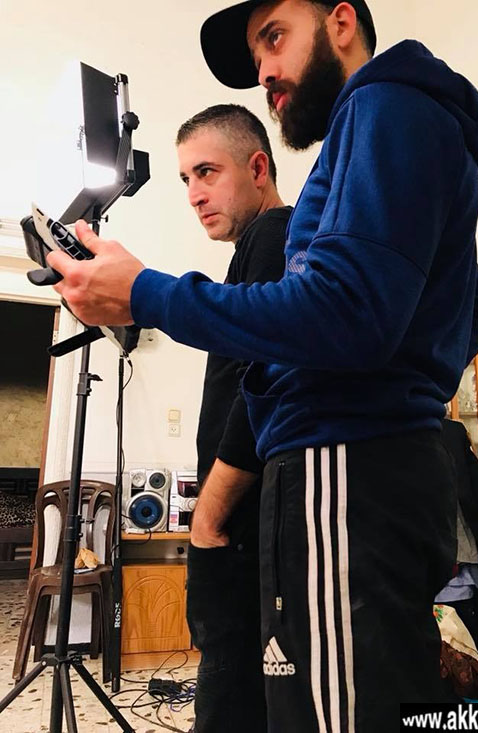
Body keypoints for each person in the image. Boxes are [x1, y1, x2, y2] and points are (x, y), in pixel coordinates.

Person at [47, 1, 478, 729]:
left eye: (275, 38)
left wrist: (146, 293)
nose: (263, 72)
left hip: (343, 469)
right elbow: (473, 304)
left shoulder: (383, 105)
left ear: (341, 23)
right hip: (369, 470)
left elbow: (345, 312)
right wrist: (407, 389)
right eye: (256, 55)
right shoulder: (390, 127)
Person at [176, 104, 290, 733]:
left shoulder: (274, 235)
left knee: (229, 702)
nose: (194, 195)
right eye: (186, 180)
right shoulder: (255, 247)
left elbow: (263, 383)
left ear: (257, 167)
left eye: (206, 172)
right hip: (241, 525)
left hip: (242, 528)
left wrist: (210, 517)